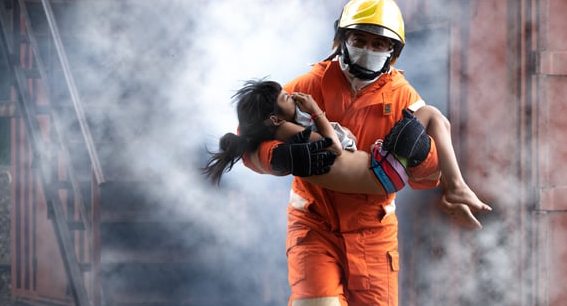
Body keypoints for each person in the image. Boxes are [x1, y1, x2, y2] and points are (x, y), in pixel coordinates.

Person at [241, 0, 489, 306]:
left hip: (374, 232)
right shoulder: (307, 86)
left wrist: (426, 163)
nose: (369, 49)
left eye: (380, 44)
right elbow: (248, 141)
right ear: (341, 39)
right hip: (314, 223)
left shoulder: (402, 98)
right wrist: (278, 157)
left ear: (393, 52)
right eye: (360, 38)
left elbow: (426, 170)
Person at [202, 78, 491, 219]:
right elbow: (334, 148)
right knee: (431, 115)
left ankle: (456, 187)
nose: (293, 96)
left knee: (436, 120)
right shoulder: (286, 130)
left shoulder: (278, 127)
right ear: (275, 118)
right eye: (287, 97)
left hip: (380, 169)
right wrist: (316, 111)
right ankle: (457, 186)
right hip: (382, 171)